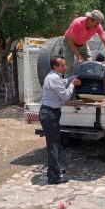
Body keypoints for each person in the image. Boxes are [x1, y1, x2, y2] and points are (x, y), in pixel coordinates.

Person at [39, 56, 81, 185]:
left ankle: (54, 169)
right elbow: (65, 96)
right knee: (53, 145)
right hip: (49, 114)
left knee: (55, 144)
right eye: (62, 65)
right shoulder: (53, 79)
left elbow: (63, 83)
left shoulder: (55, 77)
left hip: (51, 113)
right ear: (55, 67)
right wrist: (73, 84)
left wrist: (71, 78)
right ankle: (54, 177)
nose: (65, 67)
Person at [63, 10, 105, 78]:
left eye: (99, 23)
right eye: (97, 23)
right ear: (90, 19)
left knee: (90, 65)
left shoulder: (98, 26)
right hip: (69, 43)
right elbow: (71, 43)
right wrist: (79, 57)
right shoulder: (78, 23)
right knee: (69, 65)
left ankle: (85, 84)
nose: (98, 25)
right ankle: (66, 86)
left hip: (83, 44)